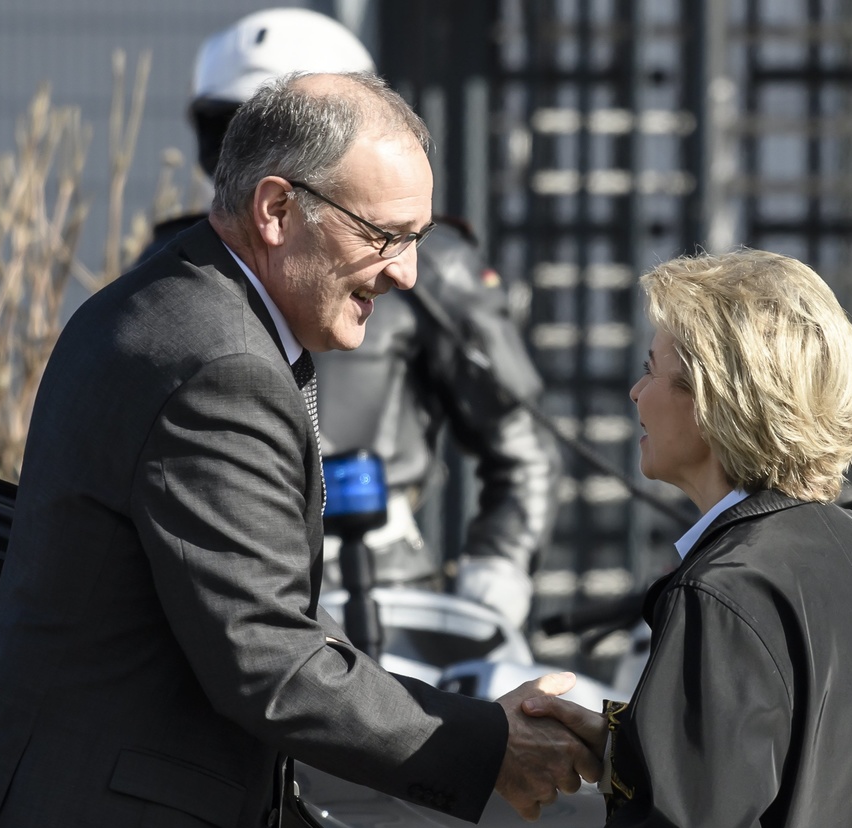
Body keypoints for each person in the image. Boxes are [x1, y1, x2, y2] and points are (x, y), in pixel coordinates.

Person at [0, 72, 596, 828]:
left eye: (419, 238)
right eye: (386, 235)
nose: (406, 273)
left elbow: (261, 610)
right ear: (276, 210)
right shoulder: (219, 361)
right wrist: (482, 743)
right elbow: (268, 655)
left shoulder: (173, 307)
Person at [529, 249, 852, 828]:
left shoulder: (726, 588)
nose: (635, 392)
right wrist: (628, 748)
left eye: (650, 369)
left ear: (713, 398)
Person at [140, 7, 561, 628]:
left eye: (299, 132)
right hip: (218, 593)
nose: (268, 152)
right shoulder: (167, 271)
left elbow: (520, 440)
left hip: (389, 593)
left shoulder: (432, 267)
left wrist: (496, 571)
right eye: (240, 128)